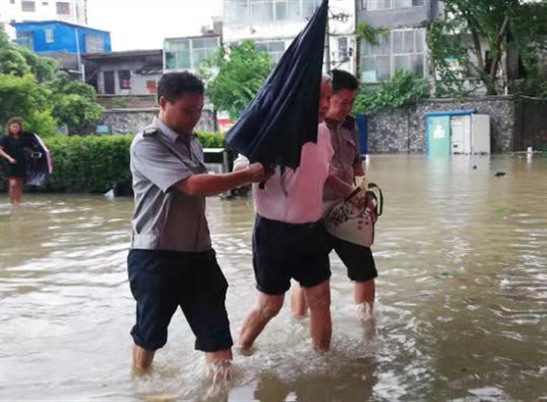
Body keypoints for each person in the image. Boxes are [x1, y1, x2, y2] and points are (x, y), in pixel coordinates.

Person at [127, 72, 267, 374]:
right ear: (164, 103)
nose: (194, 118)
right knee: (149, 335)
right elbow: (192, 185)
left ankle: (220, 390)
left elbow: (206, 186)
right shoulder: (146, 145)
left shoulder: (193, 143)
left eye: (198, 111)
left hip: (200, 254)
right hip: (156, 256)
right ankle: (141, 386)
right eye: (187, 111)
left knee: (217, 336)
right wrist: (247, 175)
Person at [236, 74, 334, 353]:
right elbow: (238, 172)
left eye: (329, 97)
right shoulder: (268, 131)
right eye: (321, 98)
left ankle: (323, 363)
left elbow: (324, 177)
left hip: (313, 231)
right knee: (271, 305)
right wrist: (255, 169)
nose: (326, 105)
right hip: (273, 233)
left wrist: (353, 193)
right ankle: (240, 349)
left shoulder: (324, 133)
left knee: (321, 299)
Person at [291, 69, 378, 321]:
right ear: (327, 98)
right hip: (313, 213)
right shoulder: (310, 129)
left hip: (346, 211)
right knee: (309, 277)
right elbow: (323, 175)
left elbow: (357, 164)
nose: (346, 108)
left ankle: (367, 326)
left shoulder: (350, 126)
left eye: (351, 103)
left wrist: (365, 196)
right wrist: (354, 193)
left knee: (365, 271)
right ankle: (298, 323)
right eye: (341, 102)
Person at [0, 117, 33, 204]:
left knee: (19, 185)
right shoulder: (5, 138)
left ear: (20, 127)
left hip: (21, 162)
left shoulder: (24, 138)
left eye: (16, 127)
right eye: (13, 126)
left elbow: (31, 147)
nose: (15, 128)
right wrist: (9, 158)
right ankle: (11, 203)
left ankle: (17, 203)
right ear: (9, 127)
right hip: (9, 163)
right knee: (13, 184)